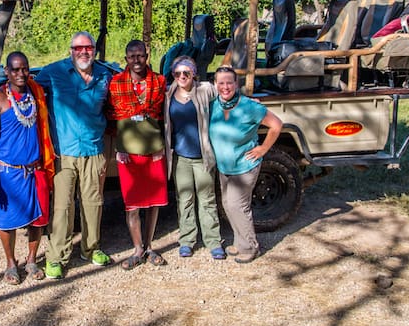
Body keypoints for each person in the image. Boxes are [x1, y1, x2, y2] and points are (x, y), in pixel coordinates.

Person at [35, 31, 113, 279]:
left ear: (94, 50)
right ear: (71, 51)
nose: (83, 52)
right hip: (63, 152)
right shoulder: (54, 73)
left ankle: (91, 249)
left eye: (88, 48)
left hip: (94, 149)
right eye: (78, 48)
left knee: (93, 203)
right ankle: (57, 257)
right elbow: (29, 87)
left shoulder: (105, 74)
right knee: (62, 207)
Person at [0, 51, 56, 284]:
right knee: (6, 221)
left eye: (25, 69)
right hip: (8, 172)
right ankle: (11, 263)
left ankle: (31, 259)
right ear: (6, 72)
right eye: (15, 70)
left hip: (35, 170)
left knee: (38, 219)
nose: (21, 74)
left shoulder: (35, 92)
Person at [208, 65, 282, 263]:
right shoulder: (213, 105)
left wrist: (263, 149)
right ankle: (240, 243)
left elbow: (276, 124)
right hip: (225, 167)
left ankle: (250, 247)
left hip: (244, 166)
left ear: (236, 84)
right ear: (215, 84)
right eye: (221, 83)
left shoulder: (250, 106)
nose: (225, 87)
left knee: (237, 205)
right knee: (228, 205)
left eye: (229, 83)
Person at [107, 39, 168, 270]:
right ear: (126, 59)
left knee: (154, 203)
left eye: (140, 56)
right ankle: (137, 249)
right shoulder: (116, 84)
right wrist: (119, 148)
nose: (136, 60)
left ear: (147, 55)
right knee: (132, 204)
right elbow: (111, 116)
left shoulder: (159, 82)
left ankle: (150, 246)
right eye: (132, 56)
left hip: (154, 152)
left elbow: (165, 117)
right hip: (127, 154)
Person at [164, 56, 226, 260]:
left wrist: (246, 101)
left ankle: (213, 241)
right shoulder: (169, 93)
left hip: (203, 157)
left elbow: (227, 93)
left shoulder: (204, 90)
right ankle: (187, 240)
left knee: (207, 199)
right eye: (177, 73)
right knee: (184, 199)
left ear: (194, 74)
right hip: (180, 157)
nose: (182, 77)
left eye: (186, 73)